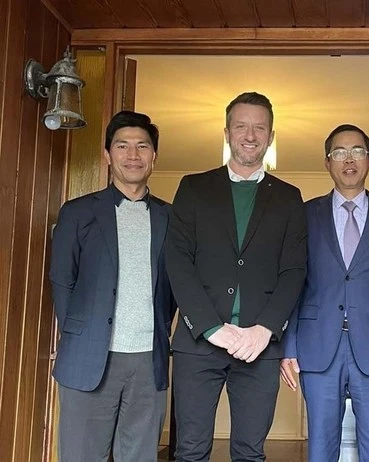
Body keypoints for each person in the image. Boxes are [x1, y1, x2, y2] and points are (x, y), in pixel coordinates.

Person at [166, 91, 307, 461]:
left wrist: (265, 329)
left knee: (250, 452)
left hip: (260, 346)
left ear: (271, 136)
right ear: (226, 133)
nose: (250, 135)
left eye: (260, 127)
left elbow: (294, 270)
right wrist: (213, 327)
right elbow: (178, 262)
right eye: (241, 126)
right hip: (198, 342)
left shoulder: (290, 197)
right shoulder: (193, 187)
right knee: (190, 450)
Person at [281, 124, 369, 461]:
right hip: (317, 344)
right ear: (327, 162)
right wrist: (289, 346)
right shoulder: (303, 215)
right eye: (339, 152)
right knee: (321, 447)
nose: (348, 159)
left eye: (357, 151)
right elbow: (293, 284)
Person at [49, 111, 177, 461]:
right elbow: (62, 280)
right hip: (89, 358)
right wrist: (78, 337)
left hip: (148, 361)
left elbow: (175, 287)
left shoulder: (172, 218)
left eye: (142, 146)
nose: (132, 155)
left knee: (138, 455)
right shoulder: (77, 213)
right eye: (122, 146)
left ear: (154, 156)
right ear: (107, 155)